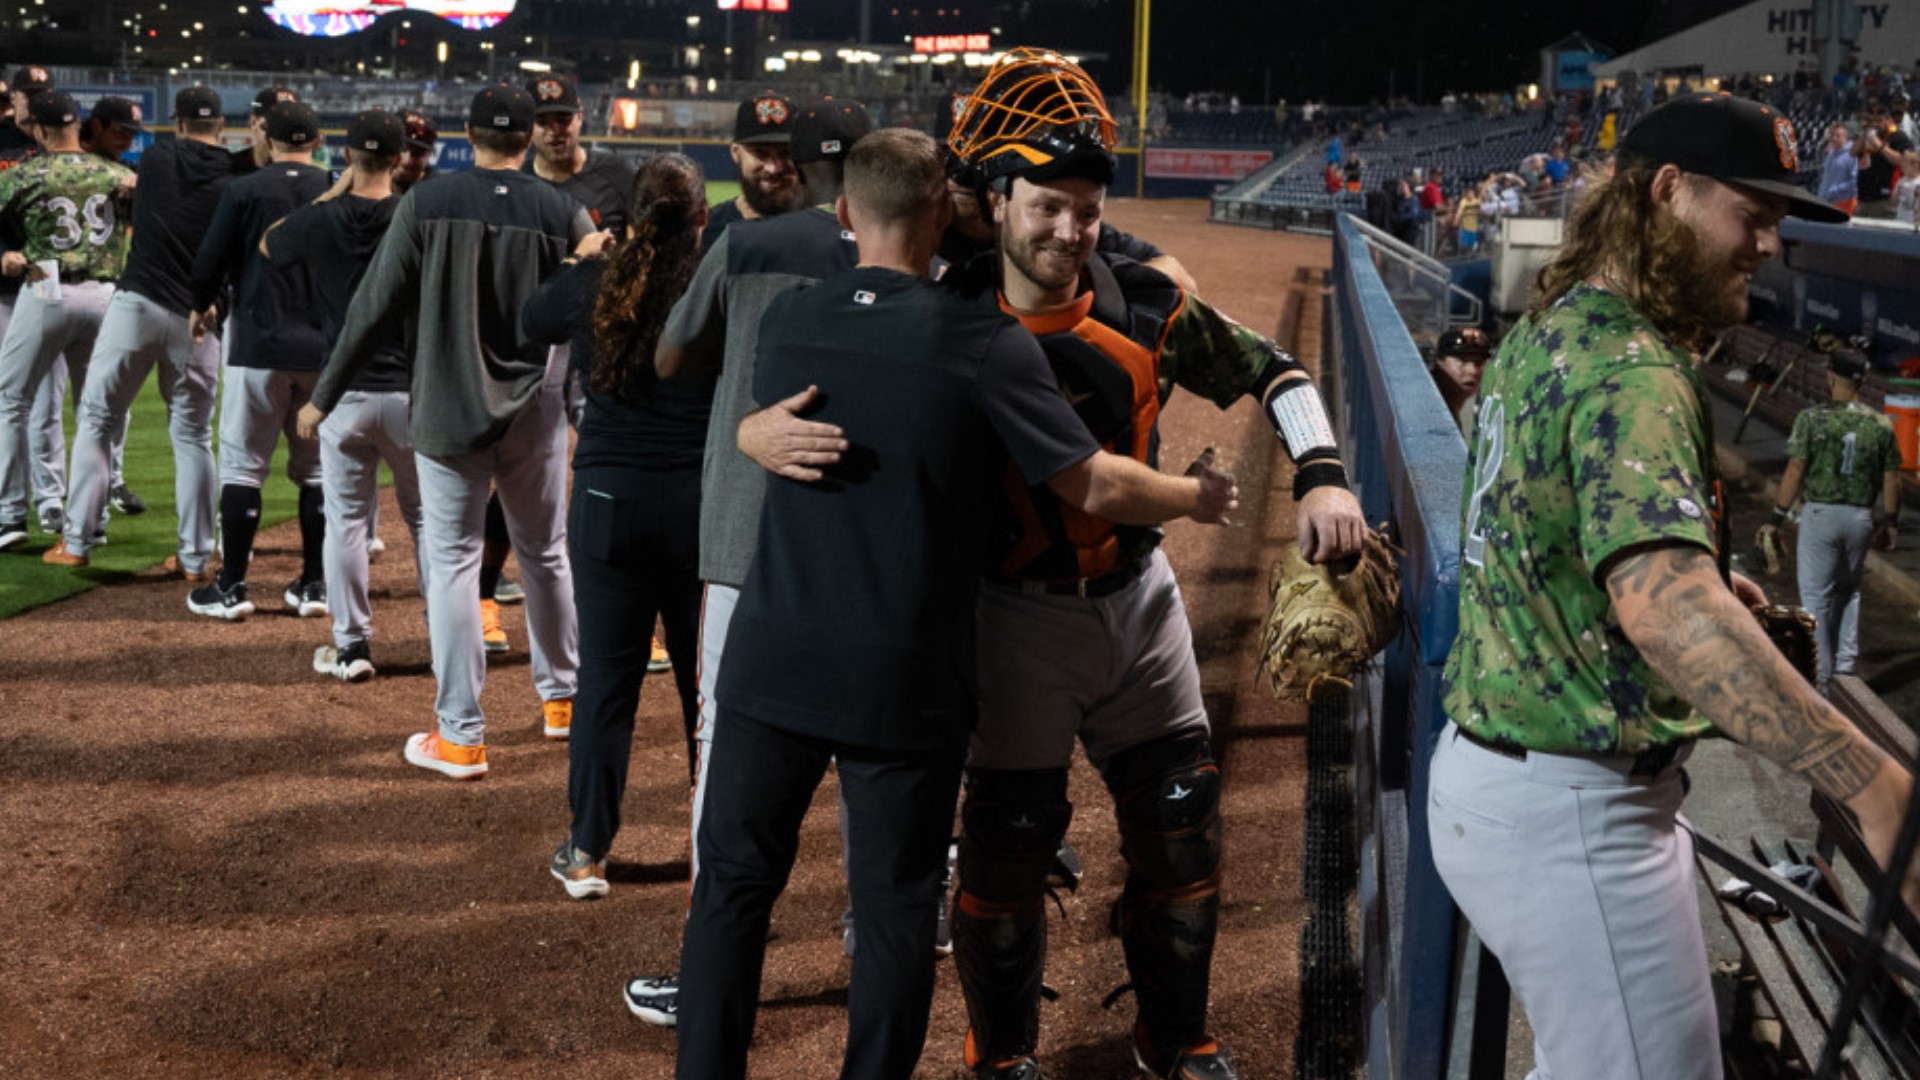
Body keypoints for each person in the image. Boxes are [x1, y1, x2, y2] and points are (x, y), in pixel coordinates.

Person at [673, 124, 1237, 1080]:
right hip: (905, 676)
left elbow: (779, 419)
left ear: (845, 213)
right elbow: (1094, 487)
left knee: (729, 894)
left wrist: (747, 436)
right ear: (949, 213)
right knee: (893, 915)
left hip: (772, 660)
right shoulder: (983, 342)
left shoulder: (790, 320)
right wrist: (1194, 495)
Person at [1435, 92, 1919, 1080]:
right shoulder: (1629, 368)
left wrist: (1698, 585)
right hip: (1570, 806)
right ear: (1670, 192)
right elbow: (1663, 610)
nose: (1771, 245)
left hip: (1515, 777)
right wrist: (1868, 783)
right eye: (1756, 213)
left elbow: (1556, 547)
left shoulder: (1553, 327)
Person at [936, 50, 1366, 1080]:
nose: (1068, 231)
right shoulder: (938, 314)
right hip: (1009, 618)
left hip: (1137, 605)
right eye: (1046, 205)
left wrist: (1323, 472)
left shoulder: (1145, 305)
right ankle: (1002, 1054)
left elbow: (1275, 366)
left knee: (1182, 831)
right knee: (1006, 847)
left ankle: (1174, 1038)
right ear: (997, 200)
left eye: (1085, 210)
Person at [619, 96, 870, 1029]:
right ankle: (886, 929)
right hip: (871, 540)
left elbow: (675, 356)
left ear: (797, 168)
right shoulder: (923, 250)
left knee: (727, 742)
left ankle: (712, 960)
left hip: (745, 529)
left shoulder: (755, 245)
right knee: (877, 747)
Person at [311, 84, 593, 779]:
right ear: (528, 140)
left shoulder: (426, 202)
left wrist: (325, 396)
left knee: (456, 565)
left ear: (468, 134)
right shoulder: (562, 208)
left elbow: (372, 308)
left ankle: (462, 735)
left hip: (444, 409)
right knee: (546, 554)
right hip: (537, 408)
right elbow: (589, 311)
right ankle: (563, 702)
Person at [521, 153, 711, 897]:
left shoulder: (599, 277)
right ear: (700, 218)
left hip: (608, 506)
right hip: (697, 505)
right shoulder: (709, 282)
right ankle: (710, 846)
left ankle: (588, 848)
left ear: (628, 216)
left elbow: (527, 321)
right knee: (705, 689)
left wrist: (586, 254)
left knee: (606, 685)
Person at [48, 86, 239, 579]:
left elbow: (125, 183)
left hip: (139, 304)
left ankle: (76, 542)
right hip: (201, 316)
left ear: (176, 123)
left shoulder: (155, 160)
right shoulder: (235, 177)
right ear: (219, 125)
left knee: (97, 419)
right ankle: (197, 557)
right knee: (194, 435)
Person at [276, 109, 425, 683]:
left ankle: (352, 646)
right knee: (428, 524)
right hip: (410, 393)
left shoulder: (323, 217)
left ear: (344, 156)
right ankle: (449, 631)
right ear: (398, 158)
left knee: (346, 525)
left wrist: (332, 195)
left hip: (341, 393)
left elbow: (272, 247)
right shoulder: (414, 215)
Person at [181, 100, 331, 618]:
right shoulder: (337, 188)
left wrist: (201, 304)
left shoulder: (243, 189)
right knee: (316, 474)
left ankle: (231, 587)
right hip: (324, 351)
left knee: (244, 468)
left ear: (269, 140)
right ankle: (315, 584)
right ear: (316, 140)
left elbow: (207, 262)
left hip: (257, 346)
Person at [0, 91, 133, 554]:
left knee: (12, 401)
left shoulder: (24, 173)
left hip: (45, 285)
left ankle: (10, 515)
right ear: (80, 125)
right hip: (105, 294)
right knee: (97, 412)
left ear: (37, 129)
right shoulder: (120, 175)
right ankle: (91, 522)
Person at [1757, 348, 1903, 691]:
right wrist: (1891, 521)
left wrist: (1776, 518)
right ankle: (1846, 669)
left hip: (1821, 515)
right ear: (1862, 381)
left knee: (1815, 596)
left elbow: (1795, 469)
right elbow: (1891, 478)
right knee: (1849, 591)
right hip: (1860, 518)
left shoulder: (1812, 418)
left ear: (1831, 376)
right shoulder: (1880, 423)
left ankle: (1820, 679)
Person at [702, 89, 801, 249]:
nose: (774, 168)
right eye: (760, 153)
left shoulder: (827, 233)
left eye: (785, 153)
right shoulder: (707, 232)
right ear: (735, 152)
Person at [1426, 326, 1491, 434]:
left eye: (1478, 362)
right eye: (1461, 360)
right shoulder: (1432, 414)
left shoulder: (1446, 409)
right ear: (1438, 363)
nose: (1472, 371)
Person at [1818, 121, 1858, 214]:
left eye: (1838, 135)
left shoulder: (1852, 155)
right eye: (1832, 135)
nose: (1834, 138)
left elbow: (1854, 181)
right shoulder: (1831, 153)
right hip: (1827, 201)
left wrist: (1835, 189)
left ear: (1845, 136)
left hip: (1845, 202)